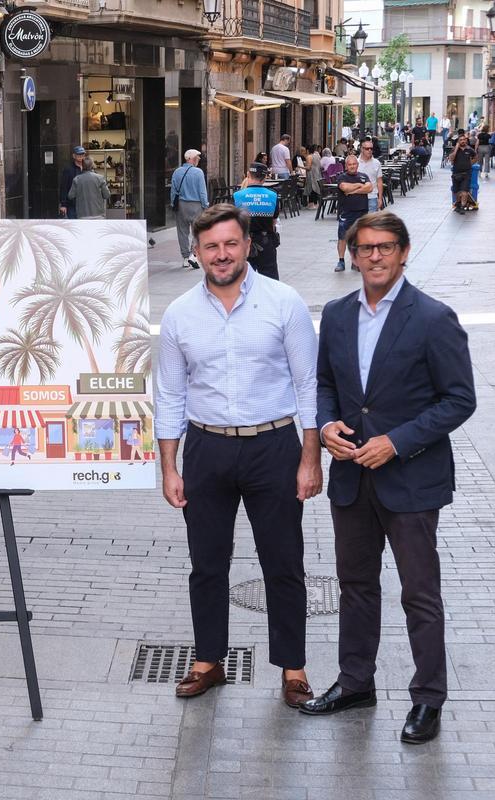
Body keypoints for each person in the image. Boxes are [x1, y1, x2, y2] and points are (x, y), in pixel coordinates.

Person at [301, 212, 476, 745]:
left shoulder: (433, 318)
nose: (374, 256)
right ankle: (356, 682)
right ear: (352, 255)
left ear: (404, 252)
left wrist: (396, 442)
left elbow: (459, 399)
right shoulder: (336, 315)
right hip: (351, 477)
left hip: (412, 481)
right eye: (365, 248)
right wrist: (327, 426)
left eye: (385, 247)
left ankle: (428, 698)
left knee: (419, 593)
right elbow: (324, 384)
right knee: (355, 586)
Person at [155, 204, 321, 708]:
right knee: (206, 563)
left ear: (248, 245)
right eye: (211, 246)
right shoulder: (179, 314)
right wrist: (170, 467)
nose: (221, 254)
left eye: (230, 244)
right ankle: (208, 660)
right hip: (207, 448)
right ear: (197, 251)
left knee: (283, 562)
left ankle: (293, 668)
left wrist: (310, 458)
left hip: (274, 445)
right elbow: (170, 394)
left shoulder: (284, 302)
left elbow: (308, 385)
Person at [233, 162, 281, 280]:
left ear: (248, 175)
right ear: (264, 178)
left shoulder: (236, 196)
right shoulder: (273, 196)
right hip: (266, 242)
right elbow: (274, 221)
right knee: (270, 280)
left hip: (243, 243)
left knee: (241, 280)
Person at [171, 149, 208, 269]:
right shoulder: (198, 172)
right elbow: (202, 192)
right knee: (198, 231)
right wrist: (205, 205)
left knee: (182, 232)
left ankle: (185, 258)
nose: (198, 160)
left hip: (181, 205)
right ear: (192, 159)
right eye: (197, 158)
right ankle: (193, 254)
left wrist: (173, 204)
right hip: (196, 205)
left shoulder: (177, 172)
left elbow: (173, 191)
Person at [334, 154, 372, 273]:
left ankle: (356, 262)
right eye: (349, 164)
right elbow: (344, 188)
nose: (352, 166)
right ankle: (341, 261)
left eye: (354, 164)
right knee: (342, 237)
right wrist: (360, 186)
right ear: (346, 166)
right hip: (346, 212)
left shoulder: (363, 176)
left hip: (362, 212)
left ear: (357, 165)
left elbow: (369, 188)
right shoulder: (342, 177)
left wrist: (353, 191)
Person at [448, 132, 476, 215]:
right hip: (456, 173)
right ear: (458, 141)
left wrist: (470, 164)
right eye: (461, 140)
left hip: (466, 173)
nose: (463, 141)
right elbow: (451, 159)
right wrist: (456, 148)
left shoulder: (469, 149)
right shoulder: (454, 149)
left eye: (464, 139)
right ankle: (458, 205)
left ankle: (462, 207)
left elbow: (475, 157)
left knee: (464, 191)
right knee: (456, 191)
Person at [356, 140, 385, 213]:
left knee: (372, 219)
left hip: (372, 197)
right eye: (367, 148)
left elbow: (379, 181)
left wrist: (380, 198)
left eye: (371, 148)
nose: (369, 150)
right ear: (362, 149)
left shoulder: (376, 163)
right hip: (358, 197)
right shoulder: (356, 163)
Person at [58, 145, 86, 218]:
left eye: (82, 154)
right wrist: (63, 204)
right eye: (79, 154)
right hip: (72, 204)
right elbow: (63, 187)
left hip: (85, 204)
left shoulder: (87, 168)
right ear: (74, 156)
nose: (81, 156)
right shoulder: (68, 169)